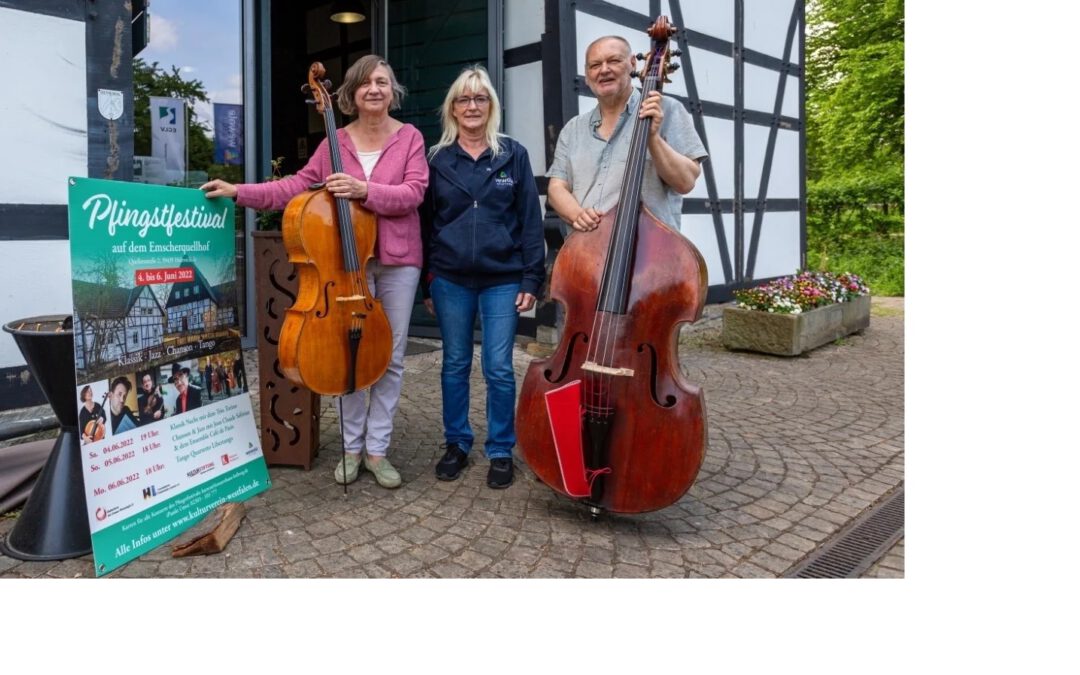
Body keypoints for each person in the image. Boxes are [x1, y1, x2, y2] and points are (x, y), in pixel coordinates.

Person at [202, 54, 428, 490]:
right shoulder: (334, 142)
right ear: (351, 93)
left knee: (390, 358)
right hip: (343, 266)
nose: (374, 89)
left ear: (392, 90)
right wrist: (238, 191)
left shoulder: (410, 138)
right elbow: (294, 186)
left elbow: (413, 192)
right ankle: (351, 448)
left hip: (398, 261)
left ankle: (377, 450)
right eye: (365, 83)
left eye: (382, 81)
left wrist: (363, 189)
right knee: (346, 356)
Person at [421, 65, 545, 489]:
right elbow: (424, 225)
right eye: (464, 99)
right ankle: (456, 442)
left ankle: (500, 449)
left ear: (491, 105)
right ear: (452, 109)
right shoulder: (436, 159)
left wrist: (531, 280)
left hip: (503, 279)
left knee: (498, 367)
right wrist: (426, 282)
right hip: (450, 279)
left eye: (480, 98)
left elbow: (530, 221)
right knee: (455, 363)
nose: (472, 106)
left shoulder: (513, 154)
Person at [545, 35, 708, 234]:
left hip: (648, 248)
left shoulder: (666, 109)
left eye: (614, 61)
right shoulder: (573, 129)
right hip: (586, 249)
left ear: (632, 64)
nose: (604, 70)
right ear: (587, 76)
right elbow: (556, 188)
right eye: (595, 65)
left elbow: (686, 182)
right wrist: (577, 214)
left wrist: (653, 138)